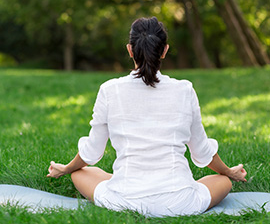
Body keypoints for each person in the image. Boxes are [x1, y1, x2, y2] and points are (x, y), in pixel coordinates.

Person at [47, 17, 247, 217]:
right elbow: (203, 151)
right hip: (179, 202)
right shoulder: (184, 89)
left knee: (81, 173)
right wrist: (228, 172)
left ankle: (127, 183)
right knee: (223, 181)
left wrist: (66, 168)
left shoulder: (109, 90)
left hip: (124, 200)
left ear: (130, 50)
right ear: (165, 50)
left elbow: (91, 151)